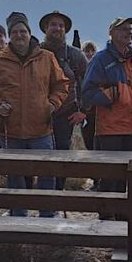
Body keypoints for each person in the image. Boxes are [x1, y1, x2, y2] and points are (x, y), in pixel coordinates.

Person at [0, 11, 69, 217]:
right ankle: (18, 214)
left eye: (23, 31)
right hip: (11, 131)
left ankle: (48, 214)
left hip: (41, 129)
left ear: (30, 33)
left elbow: (62, 84)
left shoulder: (46, 57)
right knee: (15, 175)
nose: (19, 35)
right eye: (15, 32)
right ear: (10, 35)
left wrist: (52, 104)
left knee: (47, 173)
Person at [82, 17, 132, 199]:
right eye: (123, 29)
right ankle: (107, 216)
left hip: (131, 127)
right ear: (111, 33)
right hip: (110, 130)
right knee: (109, 178)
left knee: (126, 177)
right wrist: (110, 95)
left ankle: (123, 216)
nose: (128, 32)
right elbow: (87, 92)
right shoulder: (100, 59)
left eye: (130, 28)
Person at [39, 11, 88, 190]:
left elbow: (88, 84)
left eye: (61, 26)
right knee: (36, 158)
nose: (57, 28)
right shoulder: (36, 53)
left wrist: (83, 111)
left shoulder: (76, 56)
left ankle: (57, 197)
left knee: (61, 158)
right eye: (53, 24)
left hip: (65, 117)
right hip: (38, 115)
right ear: (46, 28)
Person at [80, 41, 98, 152]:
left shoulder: (99, 68)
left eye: (92, 51)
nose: (90, 53)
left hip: (97, 113)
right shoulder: (79, 69)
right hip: (83, 112)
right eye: (87, 51)